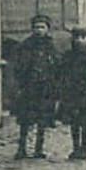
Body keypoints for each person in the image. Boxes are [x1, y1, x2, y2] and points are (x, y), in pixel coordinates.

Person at [9, 14, 60, 160]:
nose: (39, 30)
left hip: (45, 88)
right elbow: (18, 66)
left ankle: (39, 148)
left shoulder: (51, 46)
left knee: (42, 120)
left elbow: (56, 65)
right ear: (32, 29)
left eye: (42, 27)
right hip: (29, 88)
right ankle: (22, 148)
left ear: (48, 29)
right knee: (25, 120)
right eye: (36, 27)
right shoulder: (26, 45)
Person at [57, 26, 86, 161]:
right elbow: (62, 75)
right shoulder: (68, 56)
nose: (80, 41)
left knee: (85, 122)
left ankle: (83, 148)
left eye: (83, 38)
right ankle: (75, 147)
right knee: (74, 122)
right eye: (77, 37)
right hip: (72, 93)